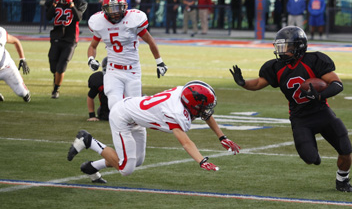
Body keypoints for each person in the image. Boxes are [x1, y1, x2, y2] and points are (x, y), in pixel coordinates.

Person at [230, 26, 352, 193]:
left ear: (299, 46)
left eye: (287, 47)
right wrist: (243, 83)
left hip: (321, 112)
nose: (282, 51)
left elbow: (337, 84)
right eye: (280, 47)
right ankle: (315, 157)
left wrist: (319, 95)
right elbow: (259, 83)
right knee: (310, 159)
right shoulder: (275, 67)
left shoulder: (315, 60)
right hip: (300, 118)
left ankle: (342, 180)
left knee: (345, 149)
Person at [67, 81, 241, 183]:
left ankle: (91, 167)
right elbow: (186, 142)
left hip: (136, 116)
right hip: (122, 116)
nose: (207, 111)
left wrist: (222, 137)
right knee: (126, 168)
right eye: (204, 107)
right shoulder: (175, 112)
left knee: (138, 160)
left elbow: (204, 114)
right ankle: (88, 140)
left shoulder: (184, 95)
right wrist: (201, 160)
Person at [87, 0, 167, 110]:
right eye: (111, 9)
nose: (114, 13)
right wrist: (91, 59)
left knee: (134, 109)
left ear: (124, 7)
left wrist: (159, 62)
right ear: (104, 10)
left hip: (132, 70)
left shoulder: (133, 20)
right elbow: (93, 46)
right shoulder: (100, 23)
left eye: (117, 8)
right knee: (114, 105)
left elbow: (150, 41)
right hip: (113, 70)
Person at [45, 0, 88, 99]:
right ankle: (56, 78)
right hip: (56, 37)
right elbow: (48, 17)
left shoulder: (78, 2)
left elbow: (79, 18)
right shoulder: (53, 1)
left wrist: (71, 4)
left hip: (70, 39)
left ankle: (55, 90)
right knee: (53, 65)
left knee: (61, 65)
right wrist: (54, 4)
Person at [0, 26, 31, 102]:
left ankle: (25, 93)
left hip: (6, 68)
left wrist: (22, 59)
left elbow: (16, 41)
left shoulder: (1, 32)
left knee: (22, 93)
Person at [87, 57, 109, 122]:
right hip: (105, 112)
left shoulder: (126, 78)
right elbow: (90, 96)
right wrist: (92, 115)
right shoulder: (99, 79)